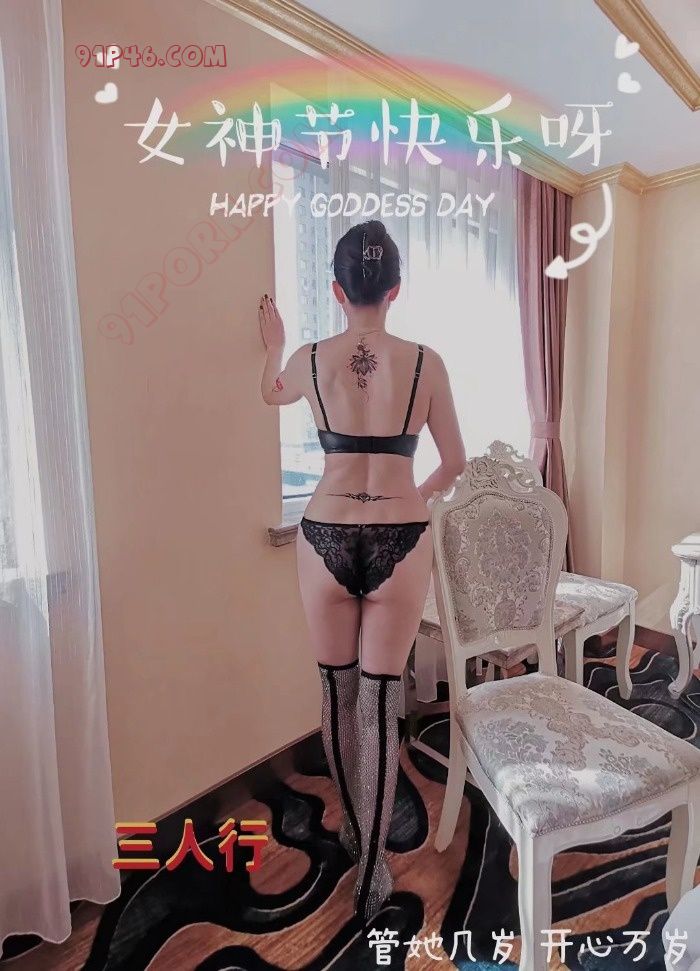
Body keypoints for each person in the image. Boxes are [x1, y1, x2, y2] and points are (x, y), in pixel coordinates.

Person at [257, 219, 466, 923]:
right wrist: (413, 497)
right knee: (378, 703)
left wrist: (274, 344)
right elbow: (455, 462)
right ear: (396, 289)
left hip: (324, 533)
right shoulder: (427, 362)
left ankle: (352, 823)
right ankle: (374, 863)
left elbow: (270, 391)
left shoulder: (312, 358)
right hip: (401, 535)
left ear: (338, 290)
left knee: (336, 693)